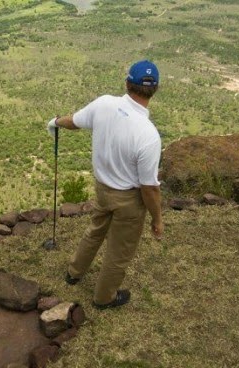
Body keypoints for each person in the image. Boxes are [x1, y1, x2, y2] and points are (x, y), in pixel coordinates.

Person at [46, 60, 164, 310]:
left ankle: (74, 272)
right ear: (155, 89)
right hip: (129, 200)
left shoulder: (104, 104)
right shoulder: (148, 134)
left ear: (127, 83)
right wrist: (157, 218)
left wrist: (56, 121)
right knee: (119, 252)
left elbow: (74, 122)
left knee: (95, 230)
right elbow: (149, 188)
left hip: (102, 189)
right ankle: (103, 298)